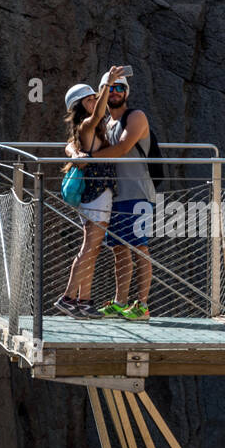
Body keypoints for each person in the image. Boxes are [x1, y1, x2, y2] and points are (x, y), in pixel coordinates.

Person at [53, 68, 124, 316]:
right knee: (89, 247)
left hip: (96, 192)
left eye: (95, 97)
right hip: (96, 192)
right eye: (90, 99)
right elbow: (98, 116)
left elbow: (73, 144)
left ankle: (84, 301)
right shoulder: (87, 124)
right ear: (81, 106)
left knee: (92, 249)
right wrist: (107, 83)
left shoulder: (88, 128)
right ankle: (67, 297)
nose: (95, 101)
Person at [86, 70, 155, 319]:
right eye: (110, 89)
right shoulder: (105, 123)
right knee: (119, 249)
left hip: (138, 193)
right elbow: (83, 135)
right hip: (115, 196)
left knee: (140, 247)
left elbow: (123, 148)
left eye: (119, 88)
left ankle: (142, 305)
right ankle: (120, 302)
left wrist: (89, 158)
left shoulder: (135, 116)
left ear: (126, 92)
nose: (115, 93)